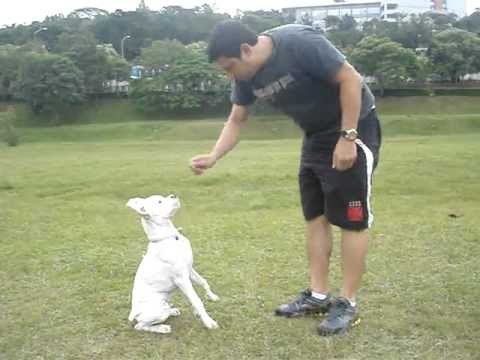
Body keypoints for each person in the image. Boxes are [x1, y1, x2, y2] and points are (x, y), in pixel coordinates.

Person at [190, 20, 381, 336]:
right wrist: (213, 156)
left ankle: (347, 303)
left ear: (246, 49)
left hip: (353, 127)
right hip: (314, 137)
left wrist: (348, 137)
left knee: (352, 219)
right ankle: (318, 296)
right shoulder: (246, 75)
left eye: (229, 67)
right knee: (315, 216)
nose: (229, 75)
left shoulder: (298, 42)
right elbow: (237, 119)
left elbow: (351, 78)